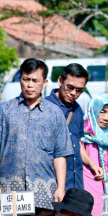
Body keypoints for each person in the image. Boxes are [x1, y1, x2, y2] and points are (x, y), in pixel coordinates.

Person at [0, 58, 71, 216]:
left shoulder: (54, 114)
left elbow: (60, 153)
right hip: (8, 192)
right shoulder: (5, 110)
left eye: (35, 80)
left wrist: (60, 187)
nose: (30, 85)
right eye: (26, 79)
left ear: (45, 82)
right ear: (20, 80)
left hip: (43, 194)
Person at [46, 63, 91, 192]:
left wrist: (92, 165)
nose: (73, 93)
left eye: (79, 90)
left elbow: (78, 143)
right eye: (70, 87)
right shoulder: (45, 108)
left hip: (76, 182)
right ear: (60, 81)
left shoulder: (77, 110)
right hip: (53, 183)